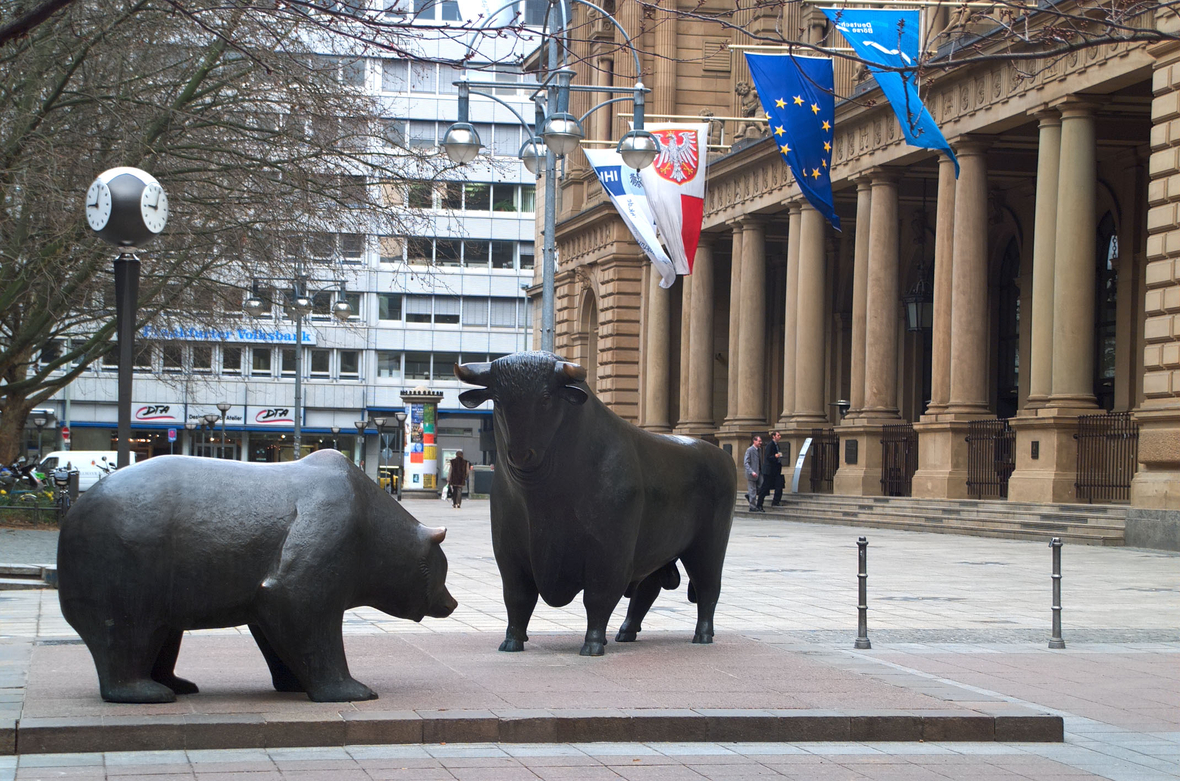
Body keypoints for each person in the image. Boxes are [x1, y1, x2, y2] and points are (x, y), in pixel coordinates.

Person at [757, 430, 784, 509]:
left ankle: (776, 501)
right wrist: (775, 456)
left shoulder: (777, 445)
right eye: (778, 435)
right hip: (769, 471)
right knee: (765, 487)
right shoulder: (770, 445)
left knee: (779, 485)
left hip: (776, 470)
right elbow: (768, 457)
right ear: (773, 436)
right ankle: (759, 504)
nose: (779, 437)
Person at [743, 434, 763, 512]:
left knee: (762, 486)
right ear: (754, 441)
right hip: (752, 473)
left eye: (761, 441)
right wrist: (751, 472)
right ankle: (752, 506)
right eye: (759, 441)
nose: (760, 443)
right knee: (752, 490)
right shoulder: (749, 450)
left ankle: (749, 495)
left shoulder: (759, 450)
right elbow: (746, 463)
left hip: (759, 472)